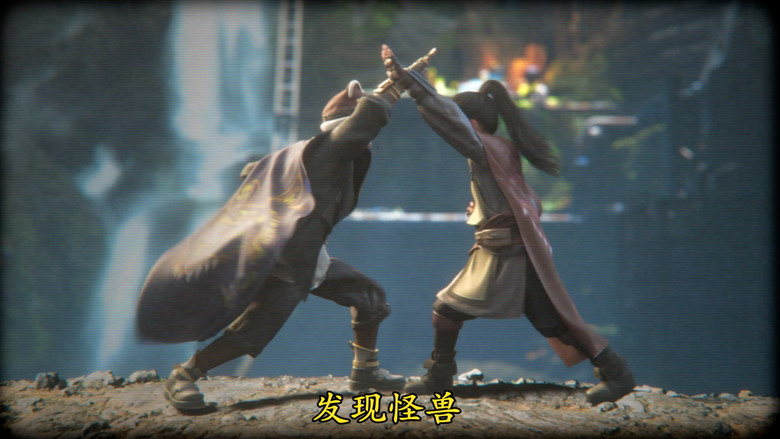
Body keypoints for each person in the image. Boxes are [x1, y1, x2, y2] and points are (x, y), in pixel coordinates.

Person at [136, 50, 433, 411]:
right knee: (255, 330)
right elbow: (370, 115)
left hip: (307, 255)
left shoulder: (318, 156)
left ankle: (365, 371)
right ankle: (185, 375)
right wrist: (397, 85)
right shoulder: (329, 152)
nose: (368, 138)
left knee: (368, 296)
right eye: (359, 128)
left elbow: (254, 173)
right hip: (285, 262)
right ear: (347, 128)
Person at [382, 46, 635, 405]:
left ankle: (617, 373)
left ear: (470, 123)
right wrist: (483, 211)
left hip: (508, 256)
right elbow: (520, 200)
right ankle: (439, 375)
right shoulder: (496, 150)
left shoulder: (486, 148)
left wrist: (413, 85)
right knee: (452, 312)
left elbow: (445, 119)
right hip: (498, 251)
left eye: (459, 122)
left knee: (546, 319)